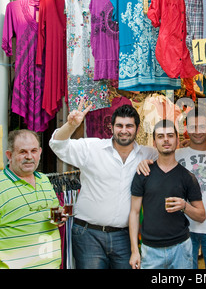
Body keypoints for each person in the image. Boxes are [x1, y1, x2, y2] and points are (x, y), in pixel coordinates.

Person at [49, 99, 157, 269]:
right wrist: (70, 126)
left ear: (137, 128)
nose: (124, 131)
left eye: (129, 126)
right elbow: (57, 145)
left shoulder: (147, 154)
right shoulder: (92, 148)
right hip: (88, 235)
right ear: (111, 127)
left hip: (124, 236)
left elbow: (171, 159)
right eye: (119, 125)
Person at [137, 108, 206, 269]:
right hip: (182, 230)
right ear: (186, 129)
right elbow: (151, 160)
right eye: (193, 127)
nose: (197, 131)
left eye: (202, 126)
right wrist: (142, 162)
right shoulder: (175, 153)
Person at [129, 119, 206, 269]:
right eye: (160, 136)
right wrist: (134, 250)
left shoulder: (187, 177)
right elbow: (134, 212)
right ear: (154, 142)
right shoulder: (143, 173)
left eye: (170, 135)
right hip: (150, 251)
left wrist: (184, 206)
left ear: (177, 140)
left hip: (181, 249)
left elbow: (201, 216)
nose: (165, 139)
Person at [0, 129, 63, 269]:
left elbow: (55, 213)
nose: (29, 157)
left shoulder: (45, 180)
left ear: (40, 152)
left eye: (33, 151)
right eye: (22, 152)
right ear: (9, 155)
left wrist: (60, 218)